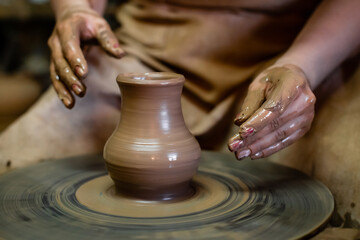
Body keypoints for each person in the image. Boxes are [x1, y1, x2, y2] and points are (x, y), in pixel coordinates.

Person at [0, 0, 359, 225]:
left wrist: (305, 65)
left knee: (346, 194)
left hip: (292, 59)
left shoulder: (298, 63)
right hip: (143, 55)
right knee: (14, 180)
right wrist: (75, 9)